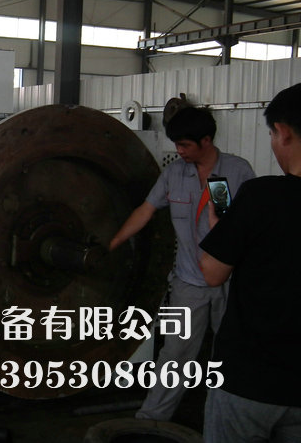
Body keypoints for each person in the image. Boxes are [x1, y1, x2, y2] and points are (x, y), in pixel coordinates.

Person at [109, 106, 255, 421]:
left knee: (231, 354)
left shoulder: (238, 172)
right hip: (188, 284)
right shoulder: (174, 174)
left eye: (185, 145)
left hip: (231, 283)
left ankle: (225, 420)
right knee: (175, 354)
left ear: (206, 140)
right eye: (176, 144)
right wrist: (113, 243)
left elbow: (251, 229)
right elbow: (146, 210)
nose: (179, 151)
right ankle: (151, 419)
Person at [199, 84, 301, 442]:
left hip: (249, 381)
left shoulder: (262, 196)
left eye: (271, 134)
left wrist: (220, 229)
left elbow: (212, 272)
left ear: (283, 132)